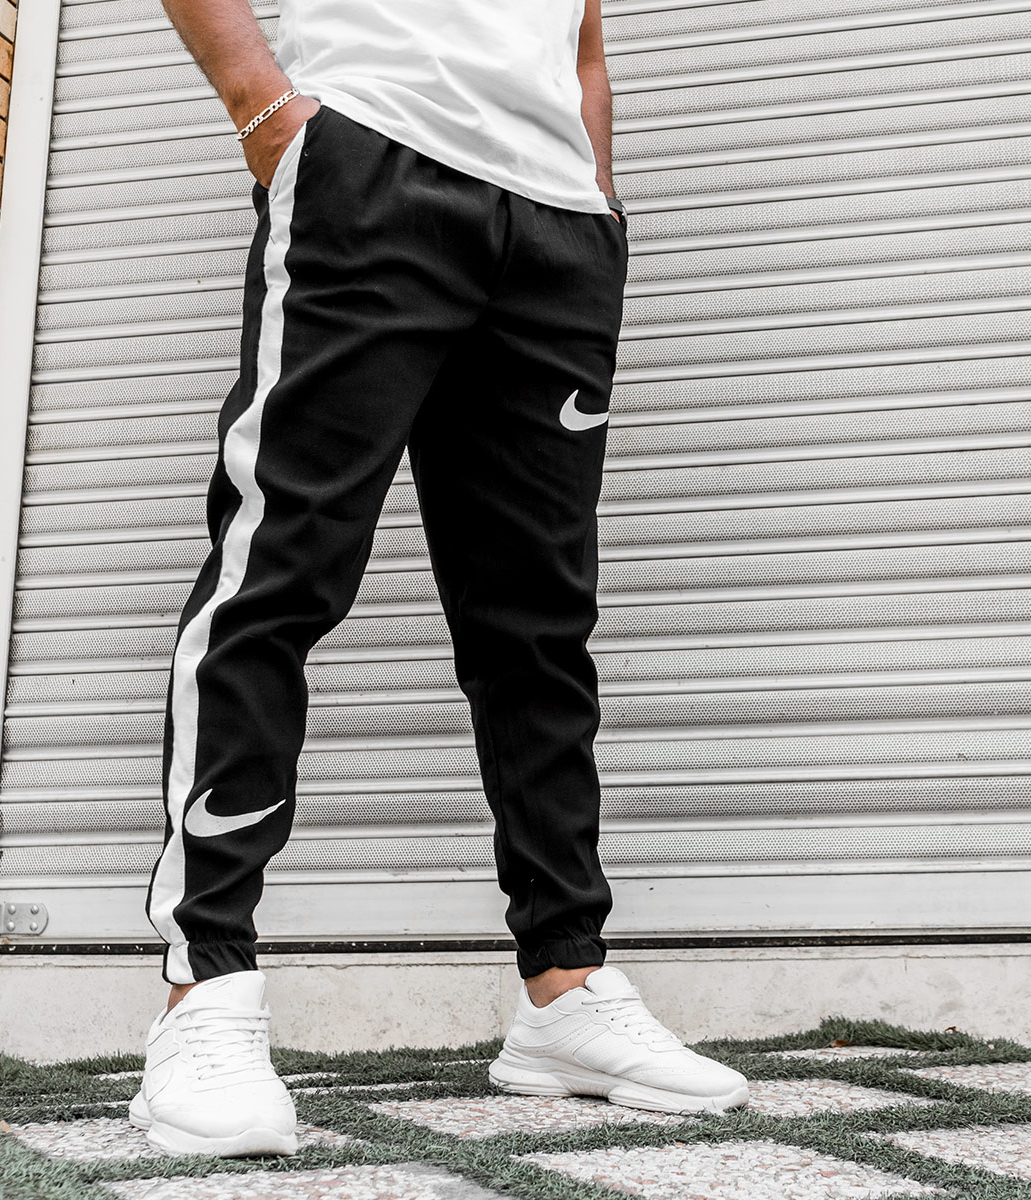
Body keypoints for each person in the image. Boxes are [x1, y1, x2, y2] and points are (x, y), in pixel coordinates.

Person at [130, 0, 750, 1158]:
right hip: (373, 164)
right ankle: (204, 987)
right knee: (277, 576)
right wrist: (268, 113)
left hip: (558, 224)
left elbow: (581, 37)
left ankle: (565, 988)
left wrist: (598, 194)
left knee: (539, 625)